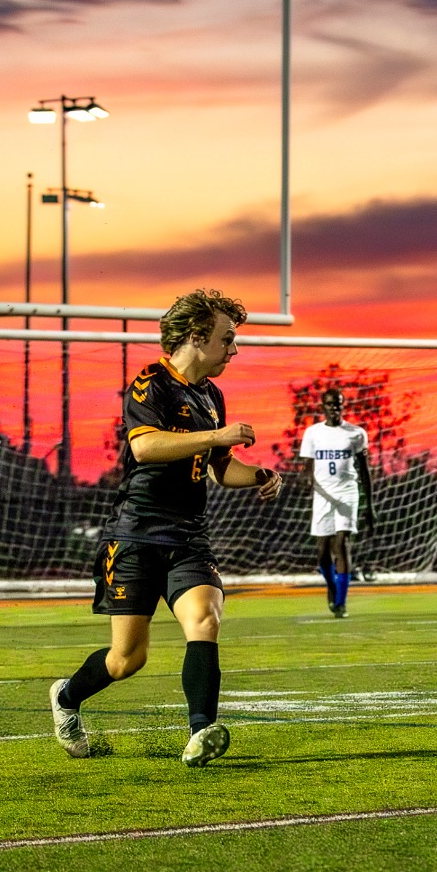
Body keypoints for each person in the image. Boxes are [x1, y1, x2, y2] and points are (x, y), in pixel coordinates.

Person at [48, 289, 282, 767]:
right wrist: (218, 435)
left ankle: (202, 733)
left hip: (189, 536)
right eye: (228, 339)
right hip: (136, 535)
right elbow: (145, 448)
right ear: (196, 337)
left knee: (206, 620)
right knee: (127, 660)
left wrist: (257, 475)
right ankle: (67, 697)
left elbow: (219, 468)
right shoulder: (150, 382)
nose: (234, 350)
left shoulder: (212, 395)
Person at [299, 388, 373, 617]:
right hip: (322, 494)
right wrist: (308, 481)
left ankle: (340, 603)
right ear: (323, 407)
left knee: (341, 543)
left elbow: (364, 470)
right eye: (331, 404)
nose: (335, 408)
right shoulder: (312, 433)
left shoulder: (356, 433)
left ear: (343, 405)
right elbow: (308, 467)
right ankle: (331, 587)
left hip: (347, 492)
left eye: (339, 404)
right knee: (322, 552)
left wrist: (370, 505)